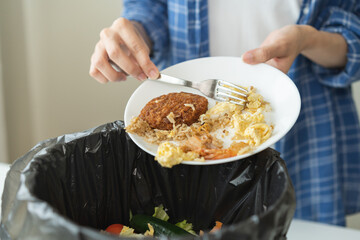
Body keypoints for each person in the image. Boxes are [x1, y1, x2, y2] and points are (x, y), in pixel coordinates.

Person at [89, 0, 360, 226]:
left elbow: (353, 40)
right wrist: (131, 38)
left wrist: (308, 39)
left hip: (306, 130)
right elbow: (149, 9)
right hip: (192, 145)